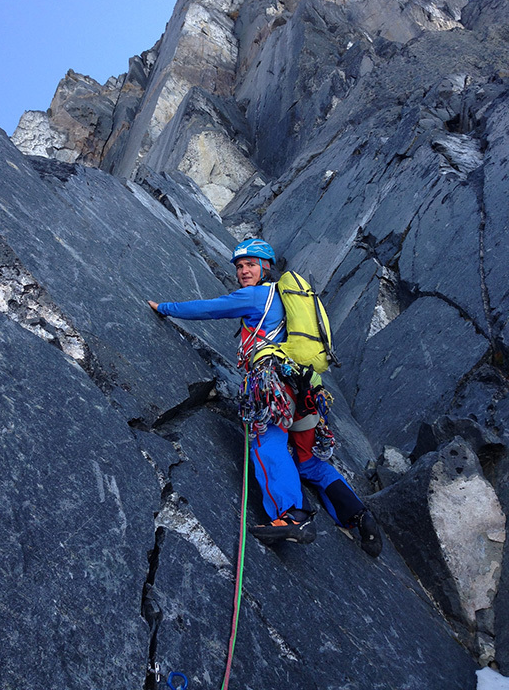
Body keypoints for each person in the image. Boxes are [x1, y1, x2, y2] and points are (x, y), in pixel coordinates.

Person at [148, 238, 382, 556]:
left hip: (273, 384)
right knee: (309, 461)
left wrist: (164, 309)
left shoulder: (259, 295)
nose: (244, 271)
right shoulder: (291, 301)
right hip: (308, 389)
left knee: (267, 442)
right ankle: (358, 516)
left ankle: (292, 516)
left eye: (250, 265)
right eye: (240, 266)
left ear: (265, 267)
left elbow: (209, 308)